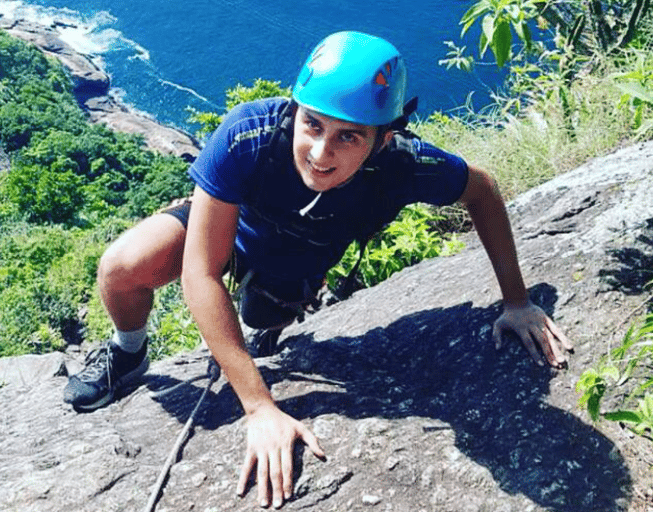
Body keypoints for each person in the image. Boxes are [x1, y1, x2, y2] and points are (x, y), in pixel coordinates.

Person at [63, 31, 573, 508]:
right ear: (295, 110)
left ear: (384, 138)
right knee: (121, 267)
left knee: (262, 319)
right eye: (312, 124)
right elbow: (202, 272)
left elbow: (480, 190)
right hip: (231, 227)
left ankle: (270, 327)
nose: (321, 152)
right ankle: (127, 353)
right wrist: (260, 406)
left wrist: (517, 301)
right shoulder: (250, 135)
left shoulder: (403, 165)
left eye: (349, 137)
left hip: (298, 261)